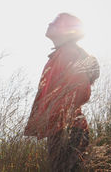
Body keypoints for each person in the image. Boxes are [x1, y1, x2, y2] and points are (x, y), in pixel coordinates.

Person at [24, 13, 100, 172]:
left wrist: (57, 113)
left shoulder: (68, 53)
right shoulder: (59, 55)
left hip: (68, 128)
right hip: (61, 128)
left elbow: (82, 91)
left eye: (55, 22)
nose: (49, 23)